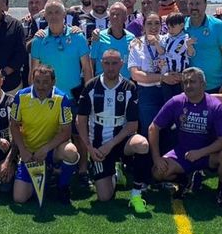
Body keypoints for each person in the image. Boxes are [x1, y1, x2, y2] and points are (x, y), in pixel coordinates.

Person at [75, 49, 150, 212]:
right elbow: (80, 120)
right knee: (104, 197)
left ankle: (136, 193)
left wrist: (110, 145)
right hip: (98, 144)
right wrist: (89, 148)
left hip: (121, 140)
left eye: (114, 63)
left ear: (121, 64)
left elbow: (132, 125)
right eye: (107, 63)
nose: (110, 67)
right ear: (101, 63)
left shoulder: (129, 87)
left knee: (142, 144)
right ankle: (115, 174)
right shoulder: (91, 86)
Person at [150, 68, 222, 203]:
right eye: (185, 82)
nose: (188, 86)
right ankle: (184, 179)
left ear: (203, 84)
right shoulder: (176, 101)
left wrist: (200, 153)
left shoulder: (215, 106)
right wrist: (156, 158)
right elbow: (153, 127)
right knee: (157, 172)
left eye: (192, 82)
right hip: (183, 154)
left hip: (209, 155)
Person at [10, 63, 80, 206]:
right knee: (19, 198)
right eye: (37, 81)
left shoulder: (62, 98)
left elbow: (66, 132)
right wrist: (23, 150)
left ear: (53, 82)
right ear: (32, 80)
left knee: (71, 152)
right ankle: (49, 175)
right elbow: (14, 125)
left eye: (46, 82)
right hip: (29, 152)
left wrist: (46, 149)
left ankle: (62, 186)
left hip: (52, 150)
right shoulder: (20, 96)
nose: (41, 86)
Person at [30, 0, 93, 99]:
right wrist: (32, 97)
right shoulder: (38, 40)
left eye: (57, 12)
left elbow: (87, 69)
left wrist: (89, 96)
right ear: (45, 16)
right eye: (50, 13)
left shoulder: (78, 37)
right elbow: (33, 73)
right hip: (47, 98)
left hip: (73, 98)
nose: (53, 16)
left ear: (64, 14)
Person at [126, 13, 174, 133]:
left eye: (157, 23)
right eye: (149, 23)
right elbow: (135, 74)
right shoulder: (136, 44)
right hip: (147, 93)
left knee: (169, 131)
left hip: (168, 91)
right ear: (143, 26)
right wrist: (162, 77)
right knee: (149, 130)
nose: (153, 27)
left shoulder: (168, 41)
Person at [181, 0, 222, 91]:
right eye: (191, 4)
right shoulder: (182, 26)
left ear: (205, 5)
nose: (194, 7)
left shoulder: (217, 25)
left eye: (198, 3)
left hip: (216, 87)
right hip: (189, 88)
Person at [89, 2, 137, 75]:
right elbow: (91, 61)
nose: (115, 17)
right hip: (103, 84)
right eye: (112, 14)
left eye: (118, 14)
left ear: (125, 18)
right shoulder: (99, 36)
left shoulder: (132, 38)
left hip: (125, 84)